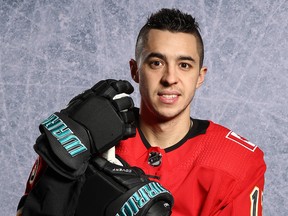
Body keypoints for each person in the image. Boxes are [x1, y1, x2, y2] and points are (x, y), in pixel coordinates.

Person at [17, 8, 266, 216]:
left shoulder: (236, 161)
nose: (170, 78)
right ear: (135, 71)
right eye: (156, 63)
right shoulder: (87, 133)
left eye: (184, 65)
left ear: (200, 76)